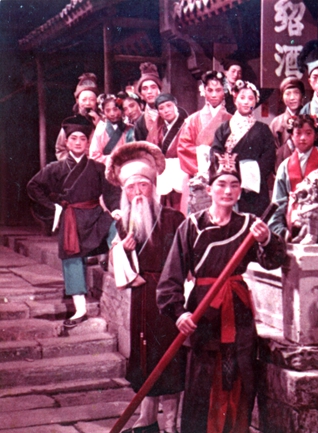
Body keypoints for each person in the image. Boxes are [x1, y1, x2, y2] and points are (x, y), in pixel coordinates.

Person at [156, 150, 287, 433]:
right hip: (204, 313)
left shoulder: (249, 225)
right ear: (209, 189)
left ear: (240, 190)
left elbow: (274, 260)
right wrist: (179, 313)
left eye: (234, 185)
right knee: (203, 380)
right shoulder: (191, 226)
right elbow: (170, 279)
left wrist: (266, 239)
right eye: (221, 184)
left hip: (238, 312)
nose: (228, 191)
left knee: (238, 376)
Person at [105, 141, 186, 433]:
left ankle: (171, 423)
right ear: (124, 193)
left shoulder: (174, 218)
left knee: (170, 356)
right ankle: (147, 418)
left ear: (154, 186)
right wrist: (124, 251)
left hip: (169, 296)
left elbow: (185, 258)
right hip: (142, 298)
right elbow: (118, 268)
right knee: (145, 354)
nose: (138, 192)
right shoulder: (123, 224)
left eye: (143, 185)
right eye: (131, 188)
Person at [27, 117, 119, 327]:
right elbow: (33, 186)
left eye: (82, 139)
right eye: (74, 139)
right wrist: (54, 207)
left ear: (88, 143)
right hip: (71, 220)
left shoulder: (97, 168)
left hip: (95, 216)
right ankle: (80, 309)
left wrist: (116, 209)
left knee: (116, 226)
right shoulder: (56, 168)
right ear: (67, 142)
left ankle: (119, 267)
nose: (78, 142)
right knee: (72, 258)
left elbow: (112, 192)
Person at [210, 80, 276, 217]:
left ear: (255, 102)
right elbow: (215, 153)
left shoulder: (263, 129)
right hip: (229, 183)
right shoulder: (223, 128)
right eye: (242, 97)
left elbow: (269, 158)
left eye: (251, 98)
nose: (246, 102)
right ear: (235, 100)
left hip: (255, 188)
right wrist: (230, 173)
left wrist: (248, 175)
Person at [177, 70, 233, 215]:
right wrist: (204, 155)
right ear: (204, 91)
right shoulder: (192, 120)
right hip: (199, 178)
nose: (214, 94)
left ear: (224, 92)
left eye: (218, 90)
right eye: (210, 90)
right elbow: (183, 147)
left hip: (223, 177)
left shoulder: (232, 120)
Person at [269, 114, 318, 238]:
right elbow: (278, 201)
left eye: (308, 133)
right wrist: (279, 230)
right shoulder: (285, 165)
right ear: (292, 136)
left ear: (315, 136)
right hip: (292, 219)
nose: (303, 138)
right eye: (298, 133)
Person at [148, 93, 190, 214]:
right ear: (158, 112)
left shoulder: (187, 125)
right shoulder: (157, 129)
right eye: (161, 108)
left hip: (182, 171)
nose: (166, 110)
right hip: (164, 173)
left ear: (176, 106)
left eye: (169, 106)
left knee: (182, 206)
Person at [55, 73, 101, 160]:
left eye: (92, 100)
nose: (88, 103)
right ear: (77, 100)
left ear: (96, 102)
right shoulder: (70, 123)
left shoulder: (103, 122)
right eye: (84, 100)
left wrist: (99, 125)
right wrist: (72, 163)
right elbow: (60, 149)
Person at [270, 76, 305, 170]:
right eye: (288, 94)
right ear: (282, 97)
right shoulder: (276, 123)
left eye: (296, 93)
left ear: (302, 95)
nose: (292, 98)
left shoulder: (309, 118)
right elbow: (272, 153)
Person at [89, 94, 134, 164]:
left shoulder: (130, 129)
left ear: (121, 110)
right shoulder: (100, 130)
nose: (112, 113)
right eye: (108, 111)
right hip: (105, 168)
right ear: (103, 112)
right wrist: (115, 159)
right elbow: (94, 156)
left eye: (115, 109)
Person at [134, 62, 162, 142]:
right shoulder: (139, 123)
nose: (149, 92)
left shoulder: (175, 113)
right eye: (145, 89)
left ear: (159, 90)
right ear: (141, 95)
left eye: (153, 87)